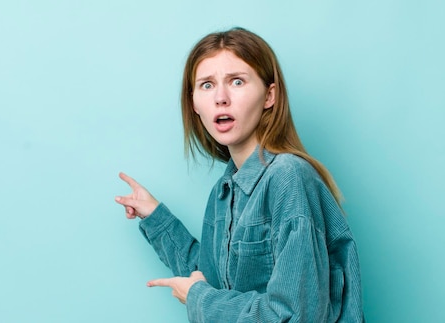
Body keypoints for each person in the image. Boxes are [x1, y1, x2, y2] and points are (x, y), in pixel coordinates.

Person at [115, 27, 364, 322]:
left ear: (269, 96)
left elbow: (294, 315)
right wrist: (155, 216)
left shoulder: (289, 178)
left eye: (236, 81)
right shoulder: (224, 191)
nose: (221, 97)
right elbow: (209, 283)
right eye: (207, 85)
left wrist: (198, 298)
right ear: (194, 103)